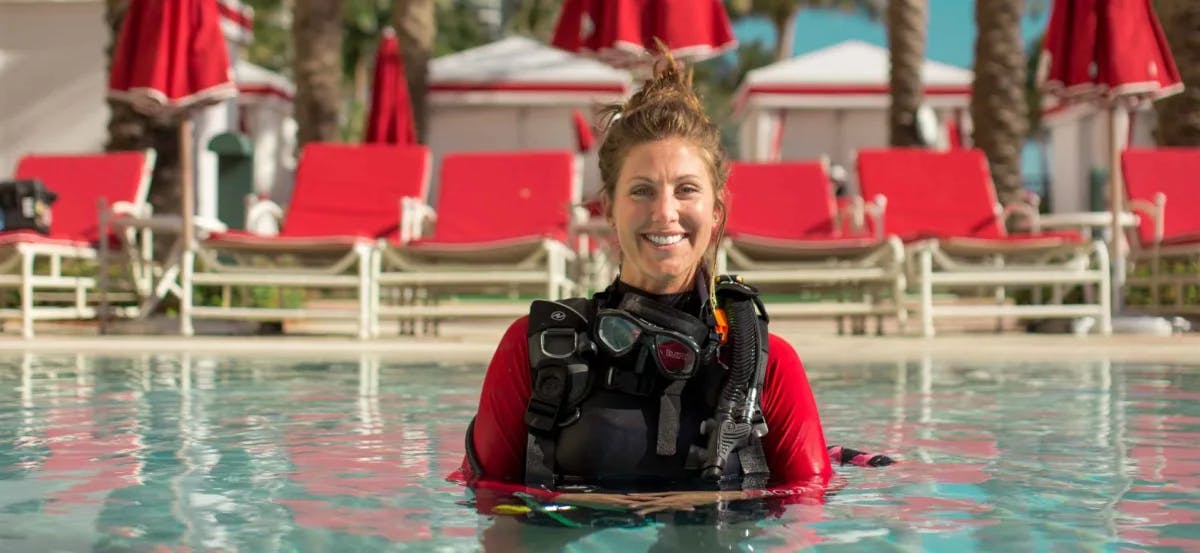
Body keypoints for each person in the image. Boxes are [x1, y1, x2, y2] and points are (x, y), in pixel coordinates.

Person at [458, 50, 834, 515]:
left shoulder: (767, 364)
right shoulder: (535, 350)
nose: (664, 212)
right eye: (641, 190)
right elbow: (486, 496)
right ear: (609, 211)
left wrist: (705, 502)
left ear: (715, 214)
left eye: (686, 189)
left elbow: (808, 508)